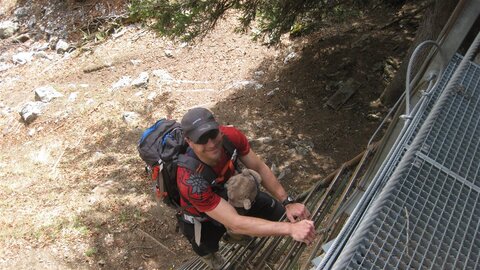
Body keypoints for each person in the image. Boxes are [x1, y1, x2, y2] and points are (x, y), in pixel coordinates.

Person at [176, 107, 316, 268]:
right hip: (202, 217)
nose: (211, 144)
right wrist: (290, 229)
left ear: (219, 128)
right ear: (189, 141)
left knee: (276, 211)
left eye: (212, 134)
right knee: (207, 248)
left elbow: (258, 167)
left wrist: (287, 202)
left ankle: (236, 236)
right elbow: (235, 221)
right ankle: (215, 258)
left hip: (232, 194)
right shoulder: (189, 179)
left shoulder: (230, 137)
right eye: (201, 139)